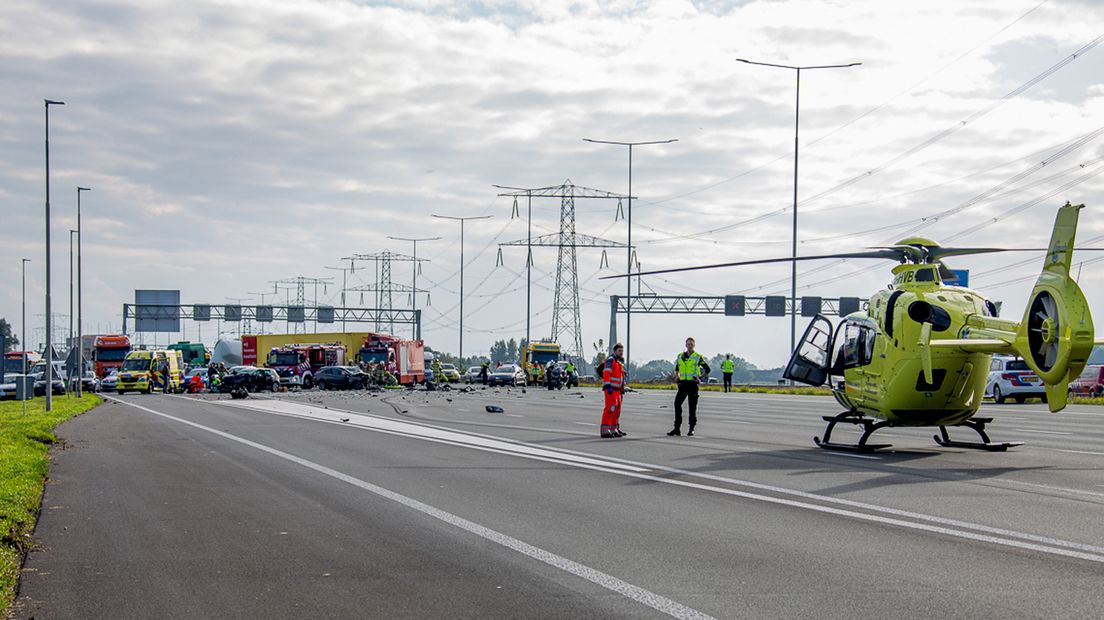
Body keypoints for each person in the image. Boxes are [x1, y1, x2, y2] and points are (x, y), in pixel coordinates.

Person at [669, 337, 710, 437]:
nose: (690, 346)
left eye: (691, 344)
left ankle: (691, 428)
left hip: (692, 384)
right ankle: (677, 428)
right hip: (682, 384)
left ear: (694, 345)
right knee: (677, 404)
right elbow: (677, 369)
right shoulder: (680, 356)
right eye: (688, 344)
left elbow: (707, 369)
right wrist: (677, 376)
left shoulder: (697, 357)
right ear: (686, 345)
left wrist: (700, 377)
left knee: (692, 407)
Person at [600, 343, 627, 438]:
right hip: (611, 389)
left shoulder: (619, 363)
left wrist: (622, 389)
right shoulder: (611, 360)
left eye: (622, 351)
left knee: (617, 410)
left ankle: (613, 428)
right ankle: (605, 430)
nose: (621, 353)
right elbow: (606, 372)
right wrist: (607, 385)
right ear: (615, 351)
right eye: (619, 351)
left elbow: (620, 377)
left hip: (617, 391)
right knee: (610, 409)